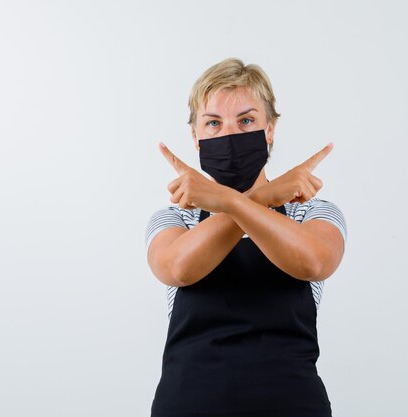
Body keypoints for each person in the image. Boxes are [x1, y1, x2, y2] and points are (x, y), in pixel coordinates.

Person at [145, 58, 347, 417]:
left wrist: (225, 200)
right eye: (213, 123)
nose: (230, 135)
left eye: (246, 121)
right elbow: (177, 268)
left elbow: (315, 262)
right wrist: (264, 197)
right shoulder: (176, 218)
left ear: (269, 130)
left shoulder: (311, 213)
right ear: (195, 137)